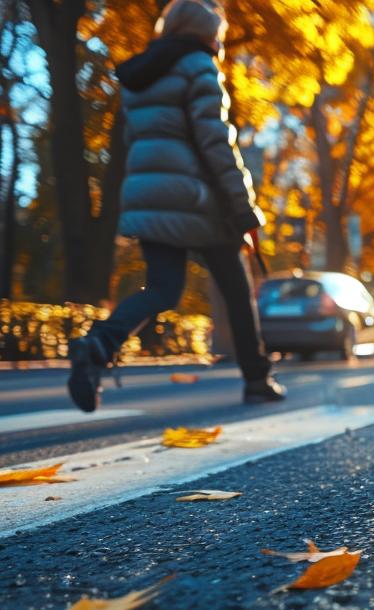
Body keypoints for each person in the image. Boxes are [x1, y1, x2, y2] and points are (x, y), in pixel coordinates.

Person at [67, 0, 284, 412]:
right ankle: (257, 380)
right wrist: (243, 207)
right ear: (208, 33)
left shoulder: (139, 76)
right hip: (199, 200)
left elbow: (141, 141)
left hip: (149, 196)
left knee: (163, 289)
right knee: (237, 291)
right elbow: (215, 142)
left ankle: (98, 344)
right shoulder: (199, 67)